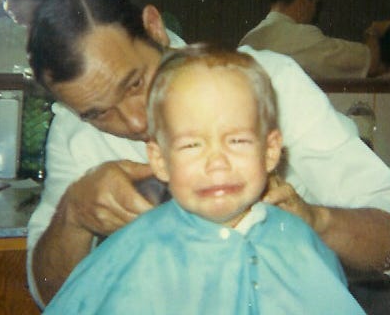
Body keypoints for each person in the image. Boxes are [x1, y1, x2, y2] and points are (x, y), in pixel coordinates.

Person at [25, 0, 390, 307]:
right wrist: (72, 216)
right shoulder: (77, 136)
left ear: (154, 27)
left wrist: (317, 221)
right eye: (98, 113)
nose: (135, 121)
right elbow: (50, 294)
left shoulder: (269, 84)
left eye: (135, 84)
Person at [43, 45, 366, 314]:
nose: (216, 162)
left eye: (237, 140)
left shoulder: (300, 242)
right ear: (160, 160)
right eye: (192, 144)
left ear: (270, 151)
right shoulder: (134, 255)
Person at [238, 0, 390, 79]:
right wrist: (374, 30)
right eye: (316, 4)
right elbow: (370, 61)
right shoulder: (301, 37)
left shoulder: (247, 39)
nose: (315, 13)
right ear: (304, 1)